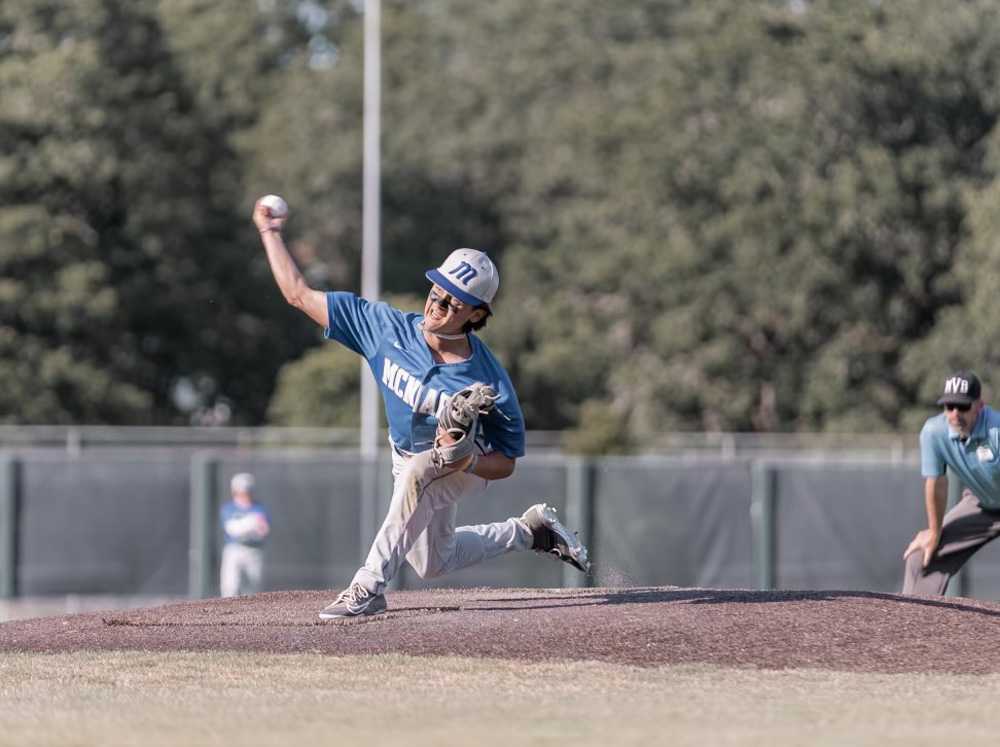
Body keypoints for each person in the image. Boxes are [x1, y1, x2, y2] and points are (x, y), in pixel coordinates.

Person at [252, 196, 590, 619]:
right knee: (432, 562)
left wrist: (464, 460)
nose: (437, 306)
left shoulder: (488, 380)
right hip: (406, 455)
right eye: (436, 293)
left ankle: (368, 587)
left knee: (420, 474)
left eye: (452, 303)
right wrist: (270, 232)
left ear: (476, 314)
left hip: (463, 465)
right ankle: (530, 532)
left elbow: (505, 463)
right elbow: (298, 294)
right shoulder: (385, 328)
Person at [903, 370, 1000, 596]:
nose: (955, 414)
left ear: (979, 406)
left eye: (963, 406)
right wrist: (934, 532)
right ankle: (913, 626)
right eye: (949, 407)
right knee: (921, 559)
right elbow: (936, 483)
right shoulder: (934, 433)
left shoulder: (997, 431)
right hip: (982, 503)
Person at [219, 472, 271, 597]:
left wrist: (250, 525)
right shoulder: (229, 508)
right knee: (230, 587)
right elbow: (231, 529)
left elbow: (264, 530)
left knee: (252, 590)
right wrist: (250, 523)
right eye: (241, 491)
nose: (244, 494)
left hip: (254, 551)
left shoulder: (259, 508)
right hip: (234, 549)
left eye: (247, 491)